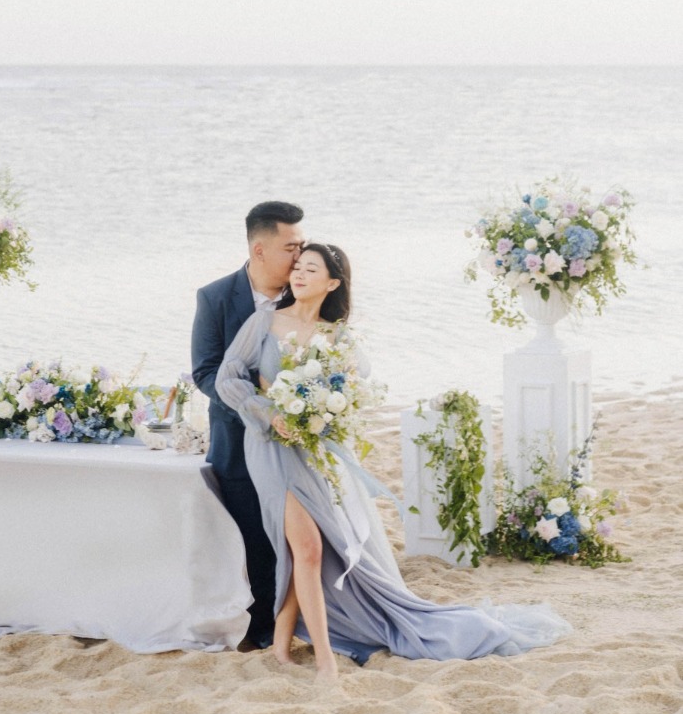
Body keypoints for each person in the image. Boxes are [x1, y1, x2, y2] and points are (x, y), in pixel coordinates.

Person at [216, 242, 571, 681]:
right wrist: (268, 411)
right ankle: (325, 655)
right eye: (298, 268)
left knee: (309, 550)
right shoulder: (265, 321)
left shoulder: (338, 337)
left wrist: (323, 411)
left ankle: (283, 648)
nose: (300, 275)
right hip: (269, 446)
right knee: (306, 547)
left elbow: (353, 389)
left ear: (332, 283)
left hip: (313, 448)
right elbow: (227, 376)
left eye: (312, 269)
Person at [191, 201, 306, 650]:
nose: (300, 257)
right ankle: (260, 629)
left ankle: (301, 621)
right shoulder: (215, 297)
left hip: (297, 442)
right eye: (290, 248)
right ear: (259, 250)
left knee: (298, 537)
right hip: (236, 440)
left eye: (302, 246)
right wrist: (256, 409)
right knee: (252, 538)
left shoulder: (305, 293)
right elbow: (205, 372)